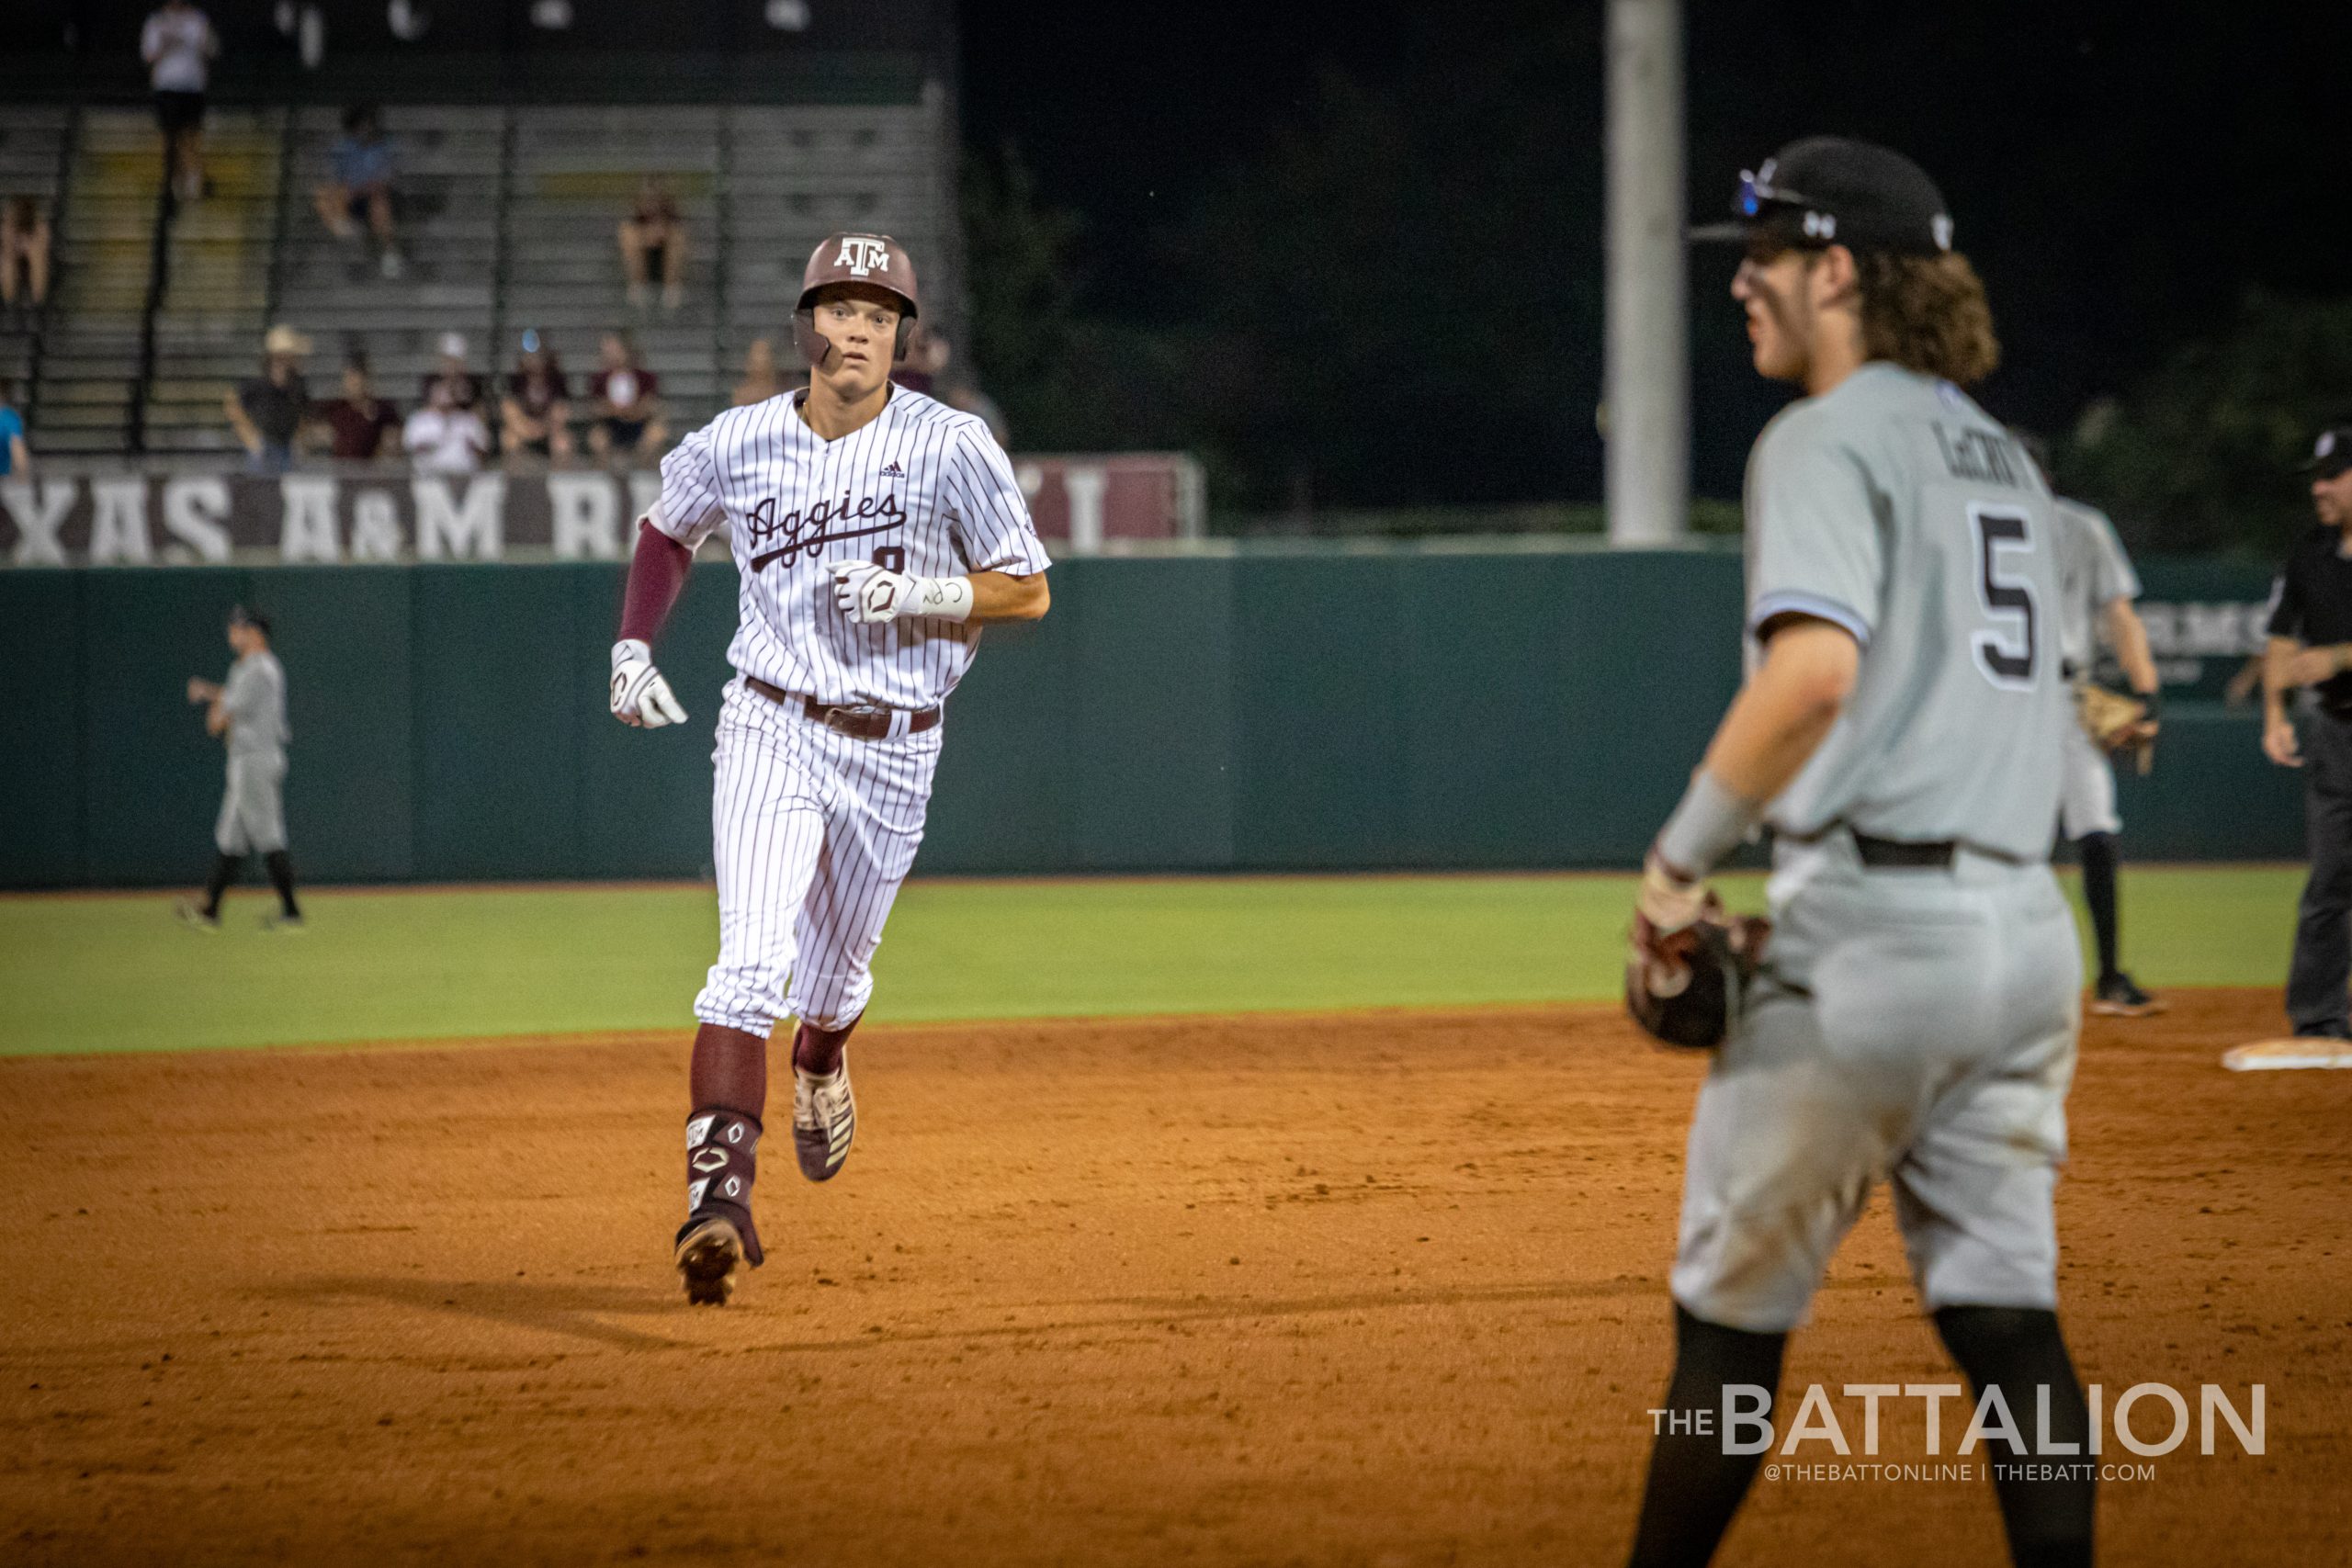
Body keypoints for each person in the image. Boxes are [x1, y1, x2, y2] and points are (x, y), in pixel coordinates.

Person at [1622, 141, 2092, 1568]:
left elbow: (1816, 673)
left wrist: (1679, 862)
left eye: (1761, 256)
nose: (1744, 283)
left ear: (1839, 270)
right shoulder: (2004, 453)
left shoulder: (1821, 438)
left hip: (1877, 942)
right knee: (2010, 1321)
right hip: (2026, 939)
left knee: (1728, 1322)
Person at [607, 231, 1052, 1306]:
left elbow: (1027, 590)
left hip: (896, 743)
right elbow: (668, 531)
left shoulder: (953, 446)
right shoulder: (741, 440)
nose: (857, 329)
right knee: (746, 964)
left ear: (902, 339)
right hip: (769, 722)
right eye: (840, 309)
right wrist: (630, 648)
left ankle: (818, 1057)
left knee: (835, 980)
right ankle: (717, 1197)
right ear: (809, 323)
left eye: (880, 315)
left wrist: (924, 596)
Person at [2046, 470, 2165, 1016]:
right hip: (2018, 699)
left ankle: (2111, 977)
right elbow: (2120, 615)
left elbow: (2119, 614)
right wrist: (2147, 690)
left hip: (2064, 699)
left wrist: (2146, 689)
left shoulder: (2080, 526)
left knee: (2096, 832)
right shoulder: (2083, 525)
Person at [2260, 425, 2352, 1042]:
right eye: (2316, 476)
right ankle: (2319, 1017)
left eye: (2331, 475)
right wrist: (2273, 713)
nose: (2318, 487)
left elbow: (2319, 653)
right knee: (2330, 876)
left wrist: (2340, 657)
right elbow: (2281, 636)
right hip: (2335, 731)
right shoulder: (2310, 552)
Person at [176, 605, 302, 932]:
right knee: (231, 837)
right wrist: (216, 700)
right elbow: (223, 711)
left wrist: (209, 695)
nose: (233, 633)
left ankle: (291, 913)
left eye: (239, 628)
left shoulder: (260, 668)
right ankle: (211, 910)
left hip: (257, 759)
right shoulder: (244, 668)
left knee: (268, 835)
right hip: (245, 759)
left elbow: (224, 714)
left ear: (256, 633)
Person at [313, 106, 404, 280]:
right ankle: (349, 235)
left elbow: (389, 177)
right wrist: (346, 191)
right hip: (352, 196)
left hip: (379, 196)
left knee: (379, 203)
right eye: (360, 126)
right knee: (324, 196)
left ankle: (389, 254)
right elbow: (337, 179)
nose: (365, 130)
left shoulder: (387, 145)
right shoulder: (343, 148)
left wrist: (364, 188)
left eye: (368, 125)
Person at [142, 0, 217, 205]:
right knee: (169, 137)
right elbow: (149, 55)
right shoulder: (157, 21)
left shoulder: (197, 20)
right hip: (167, 86)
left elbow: (210, 50)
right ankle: (174, 183)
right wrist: (167, 44)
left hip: (192, 87)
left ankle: (194, 182)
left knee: (191, 135)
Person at [224, 324, 312, 474]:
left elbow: (303, 412)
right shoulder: (259, 384)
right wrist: (250, 436)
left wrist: (300, 438)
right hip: (265, 446)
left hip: (286, 445)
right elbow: (232, 402)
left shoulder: (296, 385)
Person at [586, 332, 667, 457]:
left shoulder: (645, 378)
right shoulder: (598, 379)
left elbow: (649, 405)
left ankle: (645, 470)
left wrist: (628, 412)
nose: (611, 355)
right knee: (597, 439)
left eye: (614, 350)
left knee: (656, 434)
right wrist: (616, 412)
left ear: (626, 351)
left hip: (639, 423)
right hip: (611, 425)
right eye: (607, 352)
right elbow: (597, 408)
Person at [500, 330, 573, 458]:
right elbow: (509, 409)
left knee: (563, 443)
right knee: (508, 439)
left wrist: (543, 428)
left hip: (549, 428)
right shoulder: (516, 379)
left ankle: (558, 477)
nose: (534, 359)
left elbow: (561, 412)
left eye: (539, 355)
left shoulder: (556, 379)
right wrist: (527, 428)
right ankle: (517, 477)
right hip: (523, 427)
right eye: (530, 355)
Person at [617, 175, 686, 312]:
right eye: (648, 199)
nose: (651, 204)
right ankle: (638, 287)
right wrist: (647, 238)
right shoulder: (633, 223)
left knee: (678, 238)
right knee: (628, 236)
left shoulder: (672, 219)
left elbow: (671, 231)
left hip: (663, 258)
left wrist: (660, 235)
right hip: (643, 257)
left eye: (655, 199)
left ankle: (672, 289)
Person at [314, 356, 401, 460]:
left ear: (365, 381)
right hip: (341, 468)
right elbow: (316, 432)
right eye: (348, 379)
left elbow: (393, 438)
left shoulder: (381, 409)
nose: (351, 385)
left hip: (369, 470)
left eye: (355, 381)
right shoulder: (335, 407)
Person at [401, 375, 491, 474]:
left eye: (448, 390)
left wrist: (472, 446)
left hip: (464, 476)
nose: (444, 394)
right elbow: (410, 447)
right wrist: (429, 445)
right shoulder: (418, 420)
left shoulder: (469, 420)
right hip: (429, 477)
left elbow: (483, 450)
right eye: (439, 390)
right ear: (431, 393)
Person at [2, 196, 52, 314]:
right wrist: (12, 250)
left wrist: (32, 252)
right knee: (7, 260)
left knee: (38, 259)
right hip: (10, 258)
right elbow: (6, 246)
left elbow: (43, 248)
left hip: (34, 257)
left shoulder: (40, 226)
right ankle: (9, 301)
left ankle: (37, 303)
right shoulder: (8, 223)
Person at [418, 332, 482, 413]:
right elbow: (428, 407)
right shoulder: (431, 379)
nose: (450, 365)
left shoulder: (472, 381)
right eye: (446, 360)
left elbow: (477, 408)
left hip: (463, 420)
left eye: (454, 361)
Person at [730, 336, 782, 408]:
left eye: (764, 354)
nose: (760, 359)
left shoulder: (781, 393)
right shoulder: (740, 394)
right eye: (756, 354)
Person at [0, 376, 28, 477]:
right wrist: (22, 472)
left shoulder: (10, 418)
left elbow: (16, 446)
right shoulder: (10, 417)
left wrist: (22, 471)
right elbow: (17, 446)